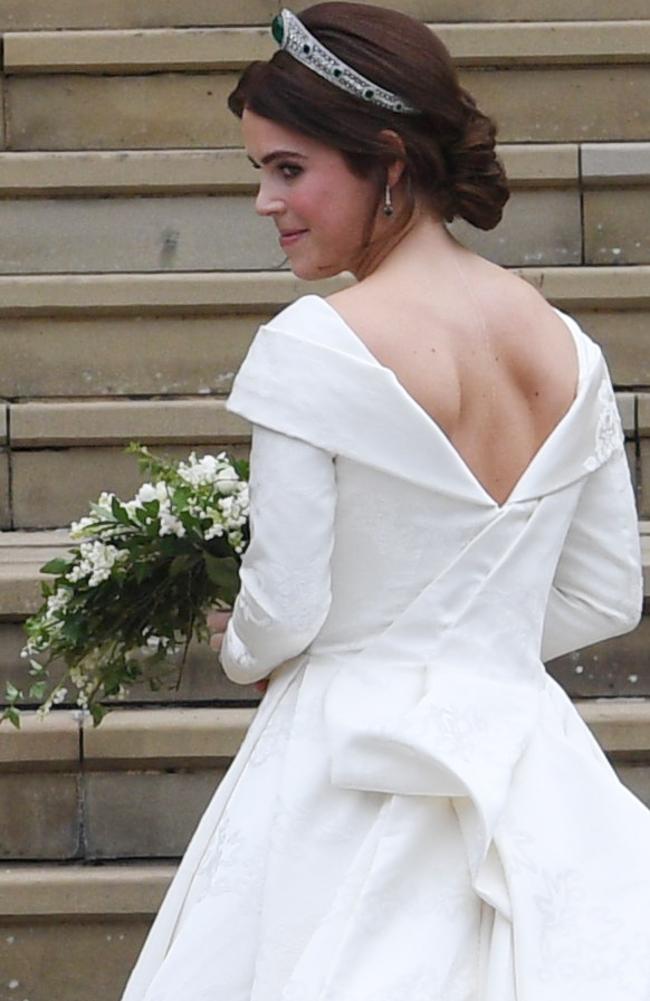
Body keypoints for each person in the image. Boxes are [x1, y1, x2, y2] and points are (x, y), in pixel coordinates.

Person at [121, 5, 648, 999]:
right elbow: (605, 593)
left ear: (389, 162)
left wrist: (244, 647)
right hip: (523, 752)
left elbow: (286, 608)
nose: (264, 202)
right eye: (258, 173)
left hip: (340, 762)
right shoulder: (571, 351)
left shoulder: (313, 343)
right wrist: (467, 646)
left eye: (288, 168)